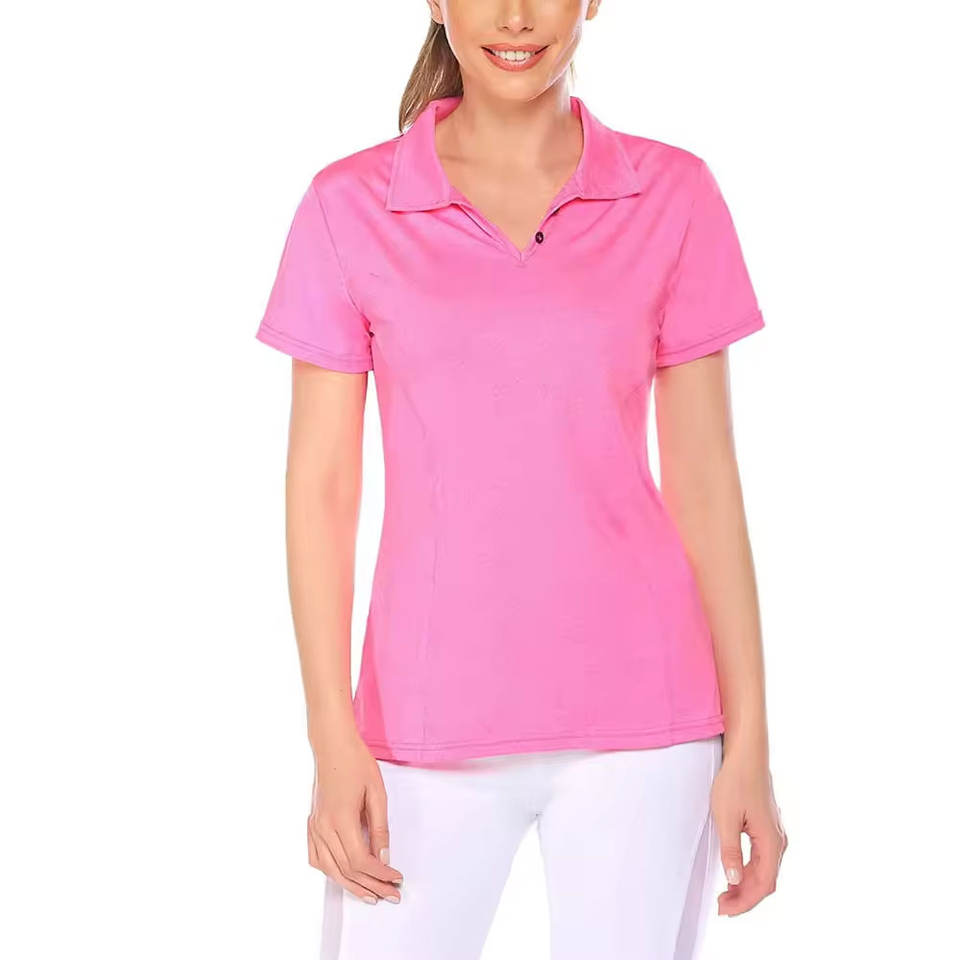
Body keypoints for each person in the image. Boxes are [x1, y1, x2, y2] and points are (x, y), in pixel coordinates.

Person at [254, 3, 787, 958]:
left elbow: (706, 482)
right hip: (420, 726)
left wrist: (749, 738)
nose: (514, 16)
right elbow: (322, 491)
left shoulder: (674, 194)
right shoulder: (349, 205)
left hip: (648, 723)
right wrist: (332, 735)